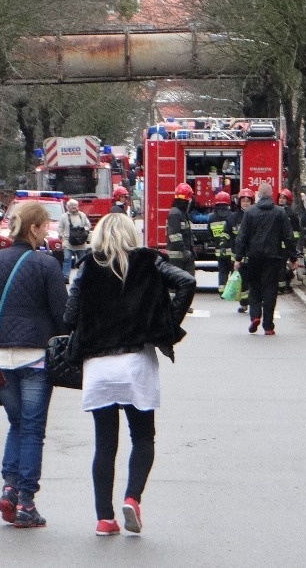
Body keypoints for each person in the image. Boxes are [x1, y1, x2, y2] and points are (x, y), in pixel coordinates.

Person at [64, 213, 196, 536]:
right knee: (143, 437)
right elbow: (187, 282)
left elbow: (69, 317)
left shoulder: (85, 268)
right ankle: (132, 498)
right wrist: (165, 323)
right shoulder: (149, 262)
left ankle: (104, 519)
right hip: (136, 362)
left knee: (104, 444)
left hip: (99, 367)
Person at [0, 201, 68, 528]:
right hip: (36, 358)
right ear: (35, 228)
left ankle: (8, 488)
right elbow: (62, 316)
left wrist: (0, 323)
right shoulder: (47, 265)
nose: (48, 230)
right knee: (33, 428)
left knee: (17, 424)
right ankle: (25, 501)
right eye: (45, 225)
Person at [233, 184, 297, 335]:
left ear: (258, 196)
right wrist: (293, 257)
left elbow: (241, 237)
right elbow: (289, 237)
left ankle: (255, 316)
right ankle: (268, 326)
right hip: (273, 258)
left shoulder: (249, 212)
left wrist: (238, 257)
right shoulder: (279, 212)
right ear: (271, 195)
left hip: (254, 257)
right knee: (270, 290)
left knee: (254, 288)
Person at [224, 189, 254, 312]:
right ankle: (244, 304)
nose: (245, 203)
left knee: (253, 280)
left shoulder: (255, 216)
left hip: (253, 254)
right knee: (242, 281)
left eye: (248, 201)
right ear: (239, 202)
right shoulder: (232, 218)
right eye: (243, 201)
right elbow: (226, 234)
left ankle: (254, 303)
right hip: (238, 255)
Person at [166, 183, 195, 279]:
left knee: (188, 284)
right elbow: (174, 236)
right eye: (189, 198)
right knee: (178, 285)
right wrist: (184, 250)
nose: (190, 201)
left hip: (184, 257)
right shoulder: (175, 213)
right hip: (177, 258)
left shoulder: (182, 213)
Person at [59, 198, 92, 284]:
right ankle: (65, 277)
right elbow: (60, 228)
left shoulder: (82, 216)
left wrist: (83, 231)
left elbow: (88, 225)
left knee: (82, 260)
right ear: (68, 207)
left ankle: (81, 276)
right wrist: (62, 237)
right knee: (67, 259)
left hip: (81, 243)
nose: (74, 207)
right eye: (71, 206)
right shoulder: (64, 217)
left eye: (75, 206)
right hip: (68, 242)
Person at [208, 191, 233, 291]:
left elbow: (209, 233)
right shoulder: (232, 216)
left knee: (222, 270)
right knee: (233, 270)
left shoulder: (211, 217)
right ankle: (231, 291)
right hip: (231, 249)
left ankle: (222, 290)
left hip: (219, 249)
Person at [277, 188, 302, 293]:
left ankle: (282, 286)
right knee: (281, 265)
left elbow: (296, 231)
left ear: (288, 200)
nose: (281, 200)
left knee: (282, 265)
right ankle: (283, 285)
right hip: (281, 244)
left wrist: (293, 243)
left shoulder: (290, 213)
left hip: (285, 245)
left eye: (284, 198)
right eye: (280, 197)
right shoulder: (277, 211)